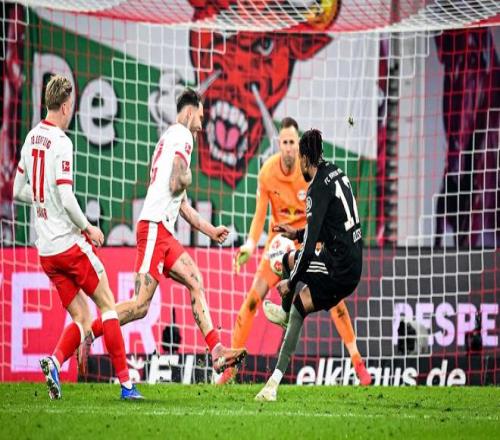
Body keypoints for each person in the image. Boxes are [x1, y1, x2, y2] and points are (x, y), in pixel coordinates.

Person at [84, 89, 247, 374]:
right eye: (201, 116)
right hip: (153, 227)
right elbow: (176, 182)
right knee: (140, 306)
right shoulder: (184, 136)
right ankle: (89, 331)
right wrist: (186, 177)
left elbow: (181, 204)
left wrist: (210, 231)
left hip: (163, 231)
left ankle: (217, 351)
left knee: (195, 280)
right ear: (190, 112)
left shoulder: (167, 139)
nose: (202, 123)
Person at [12, 75, 142, 400]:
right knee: (108, 304)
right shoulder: (61, 142)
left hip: (46, 252)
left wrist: (42, 199)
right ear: (66, 106)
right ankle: (127, 385)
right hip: (68, 245)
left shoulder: (31, 138)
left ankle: (54, 362)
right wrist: (88, 227)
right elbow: (67, 198)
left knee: (82, 318)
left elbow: (16, 191)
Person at [218, 118, 370, 385]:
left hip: (308, 242)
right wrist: (250, 245)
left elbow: (318, 226)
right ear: (279, 143)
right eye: (285, 142)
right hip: (278, 245)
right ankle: (230, 371)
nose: (289, 148)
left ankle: (358, 363)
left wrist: (304, 242)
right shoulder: (267, 172)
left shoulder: (309, 176)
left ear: (300, 149)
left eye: (293, 143)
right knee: (251, 301)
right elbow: (259, 215)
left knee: (336, 304)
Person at [256, 129, 365, 401]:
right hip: (350, 262)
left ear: (305, 158)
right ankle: (272, 385)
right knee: (299, 306)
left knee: (289, 261)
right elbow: (331, 228)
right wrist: (296, 233)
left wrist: (290, 282)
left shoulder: (316, 189)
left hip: (338, 269)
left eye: (300, 161)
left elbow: (307, 250)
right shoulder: (337, 173)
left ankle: (283, 311)